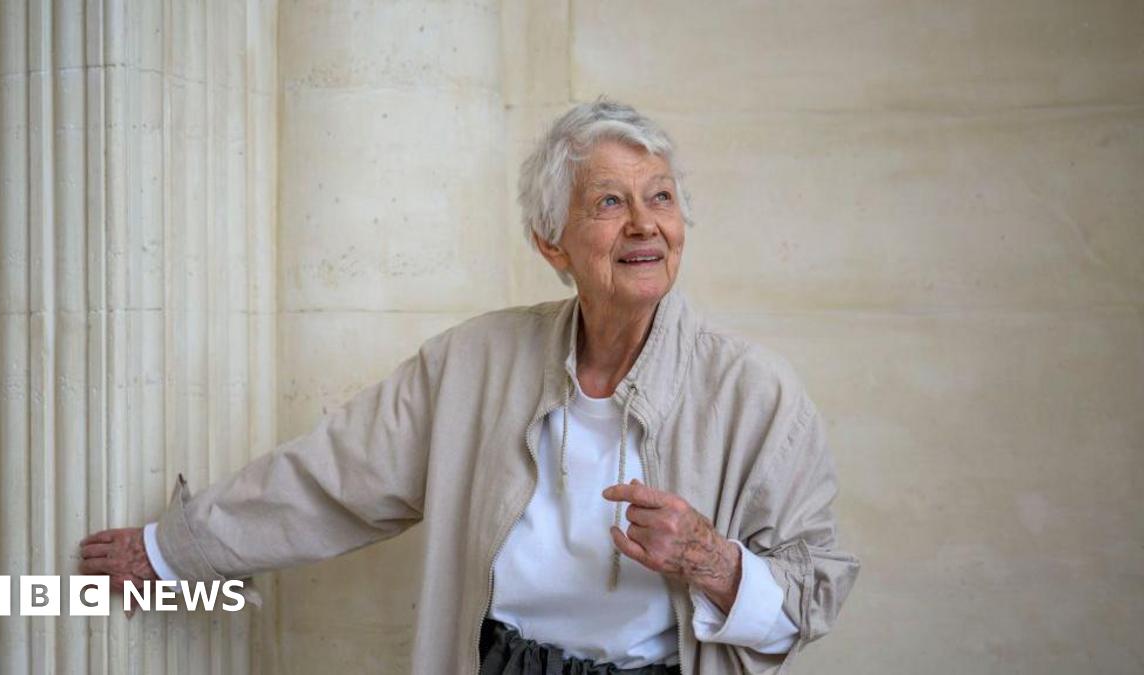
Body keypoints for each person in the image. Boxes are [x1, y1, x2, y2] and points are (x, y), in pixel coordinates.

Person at [80, 99, 859, 674]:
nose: (645, 224)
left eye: (660, 197)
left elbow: (812, 589)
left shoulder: (757, 395)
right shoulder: (475, 362)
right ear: (549, 239)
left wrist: (711, 558)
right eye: (611, 202)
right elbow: (329, 479)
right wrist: (174, 548)